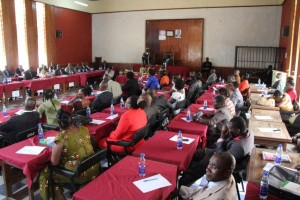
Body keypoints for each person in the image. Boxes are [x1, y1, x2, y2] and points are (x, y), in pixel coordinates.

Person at [39, 109, 100, 200]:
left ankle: (60, 197)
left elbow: (54, 163)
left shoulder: (61, 138)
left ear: (59, 124)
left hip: (80, 173)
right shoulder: (83, 129)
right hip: (93, 166)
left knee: (46, 173)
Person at [180, 116, 254, 186]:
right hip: (224, 152)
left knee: (200, 167)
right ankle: (187, 172)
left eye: (230, 129)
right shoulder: (248, 131)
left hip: (223, 163)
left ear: (237, 131)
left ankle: (182, 183)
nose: (228, 130)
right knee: (196, 153)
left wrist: (222, 137)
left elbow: (221, 157)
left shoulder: (239, 148)